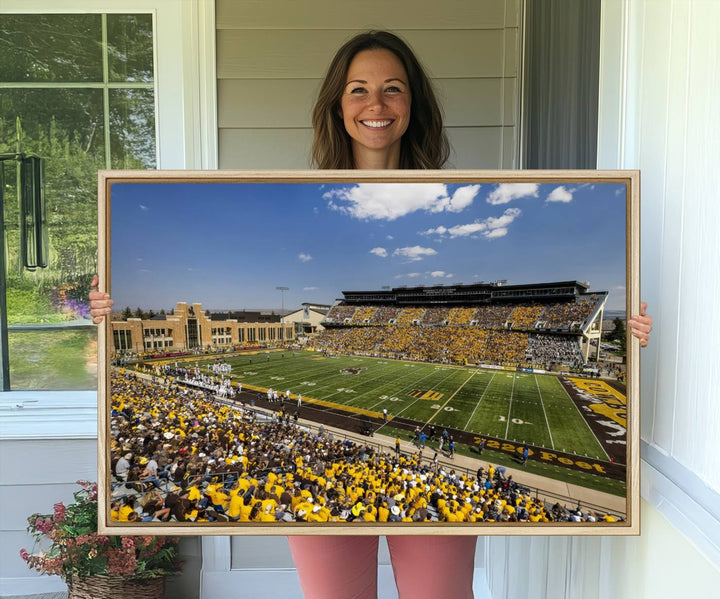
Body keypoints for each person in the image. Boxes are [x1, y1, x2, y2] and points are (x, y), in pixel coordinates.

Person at [90, 29, 653, 599]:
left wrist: (628, 337)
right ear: (338, 104)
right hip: (328, 486)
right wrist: (103, 311)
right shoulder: (301, 191)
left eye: (393, 89)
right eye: (358, 89)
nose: (375, 104)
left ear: (413, 105)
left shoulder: (462, 190)